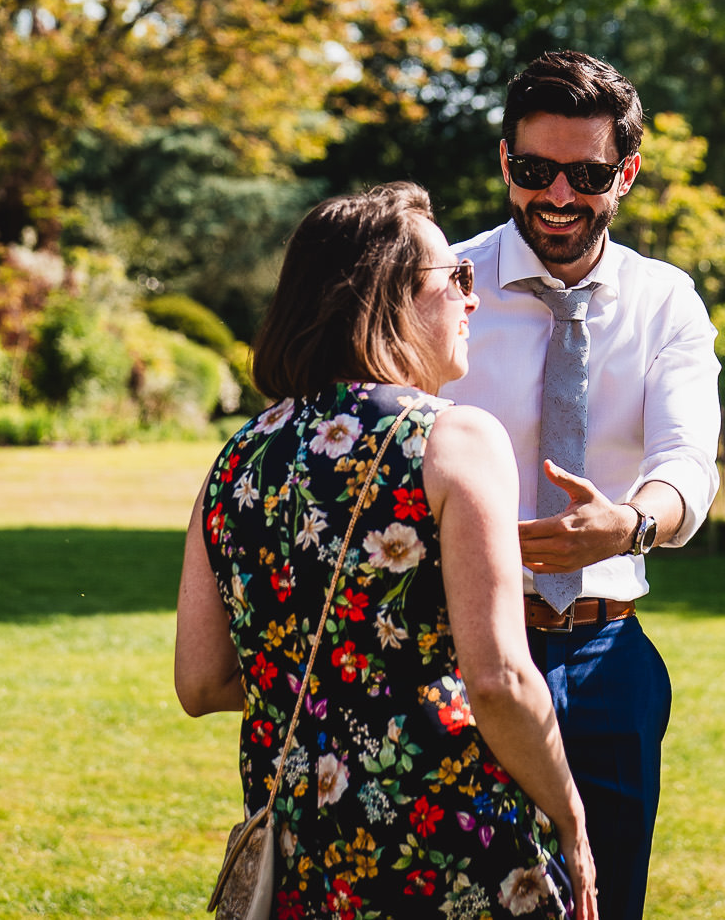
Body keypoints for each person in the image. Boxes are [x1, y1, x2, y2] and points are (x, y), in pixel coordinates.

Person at [175, 182, 599, 920]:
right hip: (443, 853)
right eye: (456, 277)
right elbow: (497, 677)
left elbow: (201, 680)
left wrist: (343, 668)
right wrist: (570, 813)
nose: (473, 298)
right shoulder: (454, 439)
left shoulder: (237, 460)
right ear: (386, 296)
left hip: (303, 861)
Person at [445, 51, 723, 920]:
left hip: (610, 662)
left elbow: (687, 461)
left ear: (626, 173)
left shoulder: (666, 300)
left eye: (588, 174)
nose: (558, 197)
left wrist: (632, 524)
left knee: (607, 906)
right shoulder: (440, 285)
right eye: (533, 171)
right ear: (504, 162)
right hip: (462, 652)